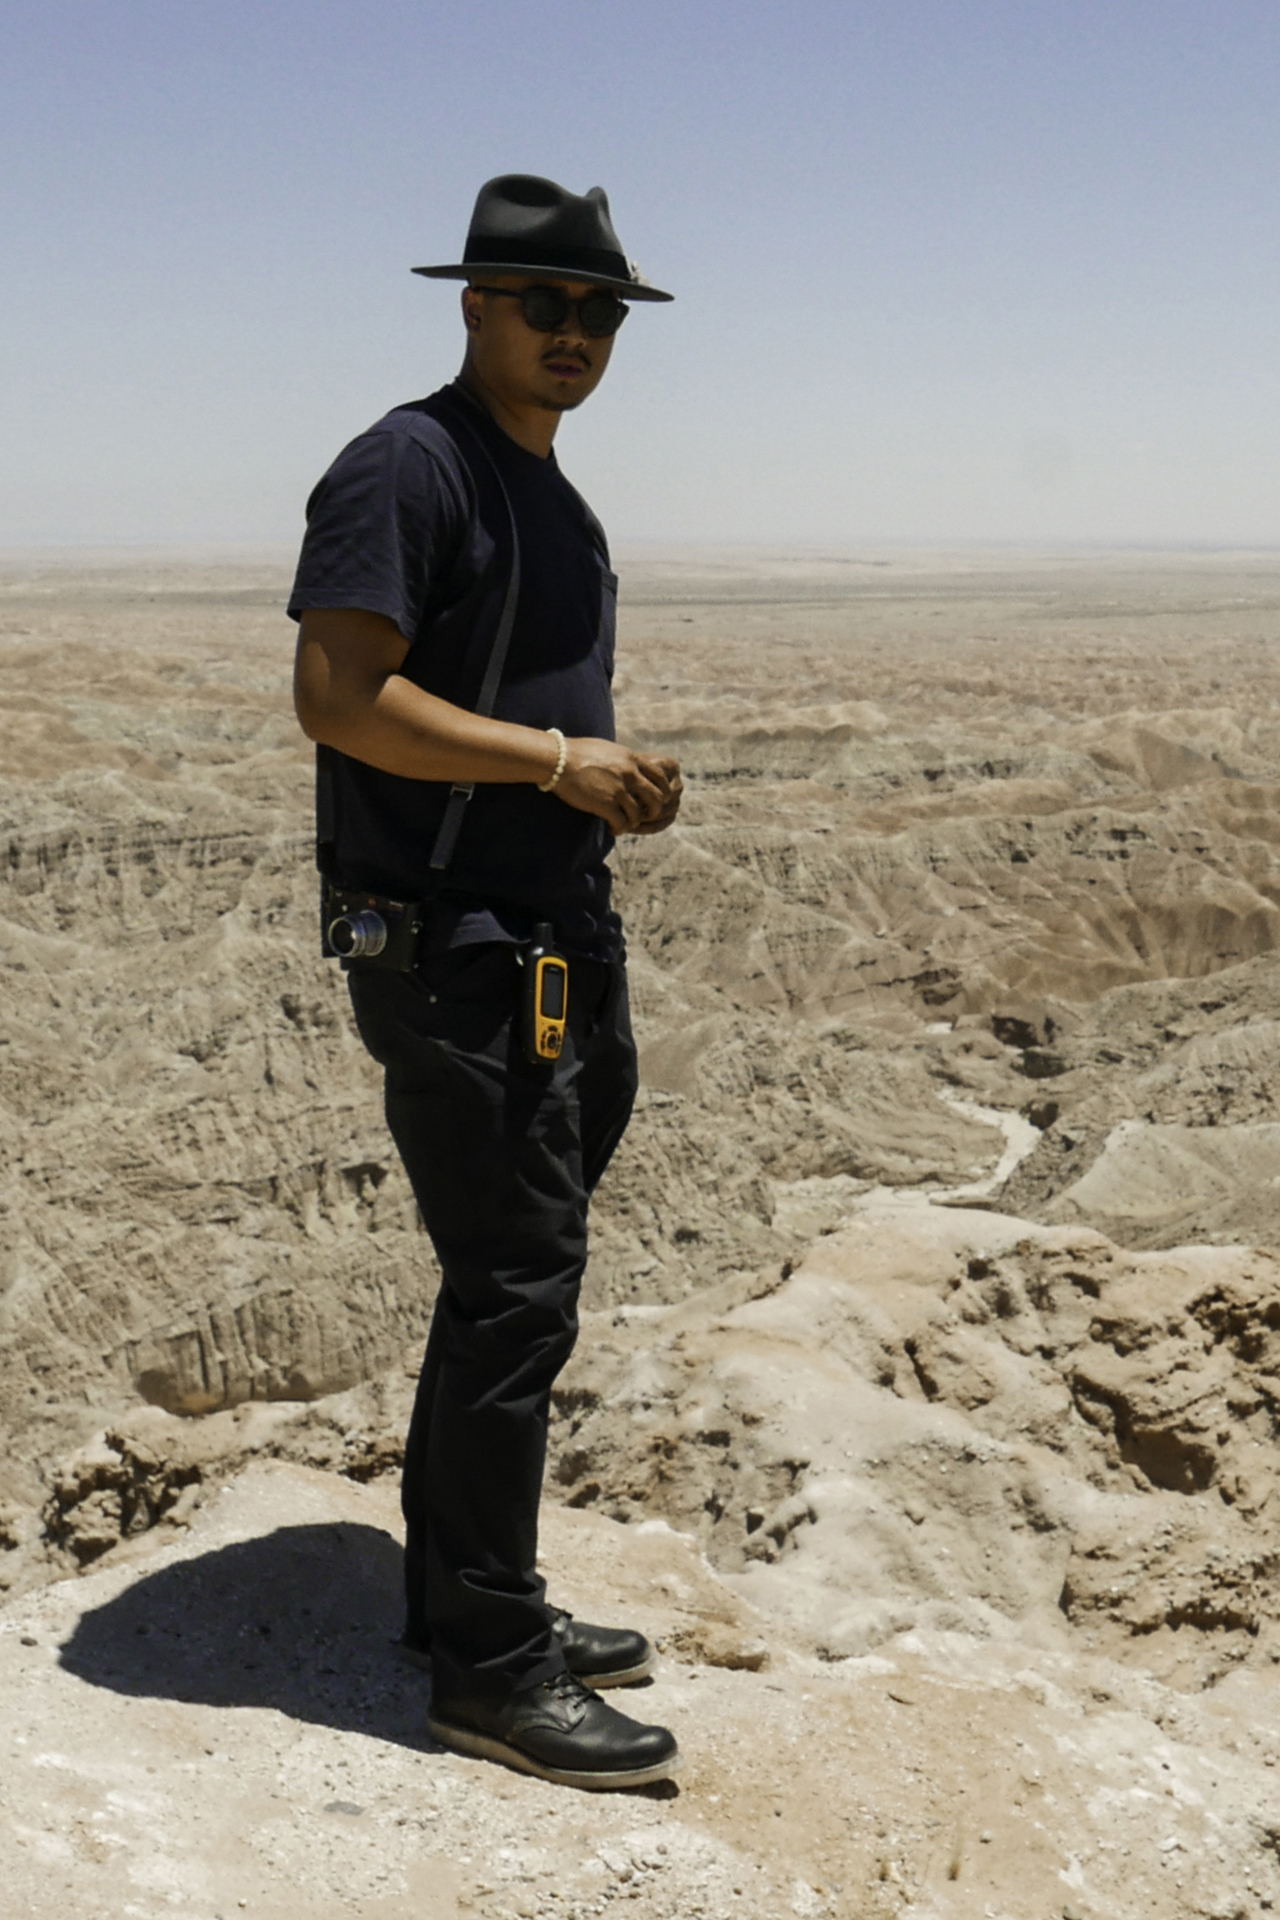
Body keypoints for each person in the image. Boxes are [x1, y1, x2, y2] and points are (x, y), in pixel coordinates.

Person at [289, 175, 683, 1790]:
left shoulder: (548, 496)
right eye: (548, 305)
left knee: (508, 1284)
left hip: (546, 939)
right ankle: (488, 1670)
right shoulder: (412, 463)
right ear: (474, 306)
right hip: (451, 945)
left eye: (599, 312)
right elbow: (338, 696)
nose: (577, 332)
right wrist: (553, 761)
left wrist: (602, 789)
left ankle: (467, 1601)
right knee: (516, 1289)